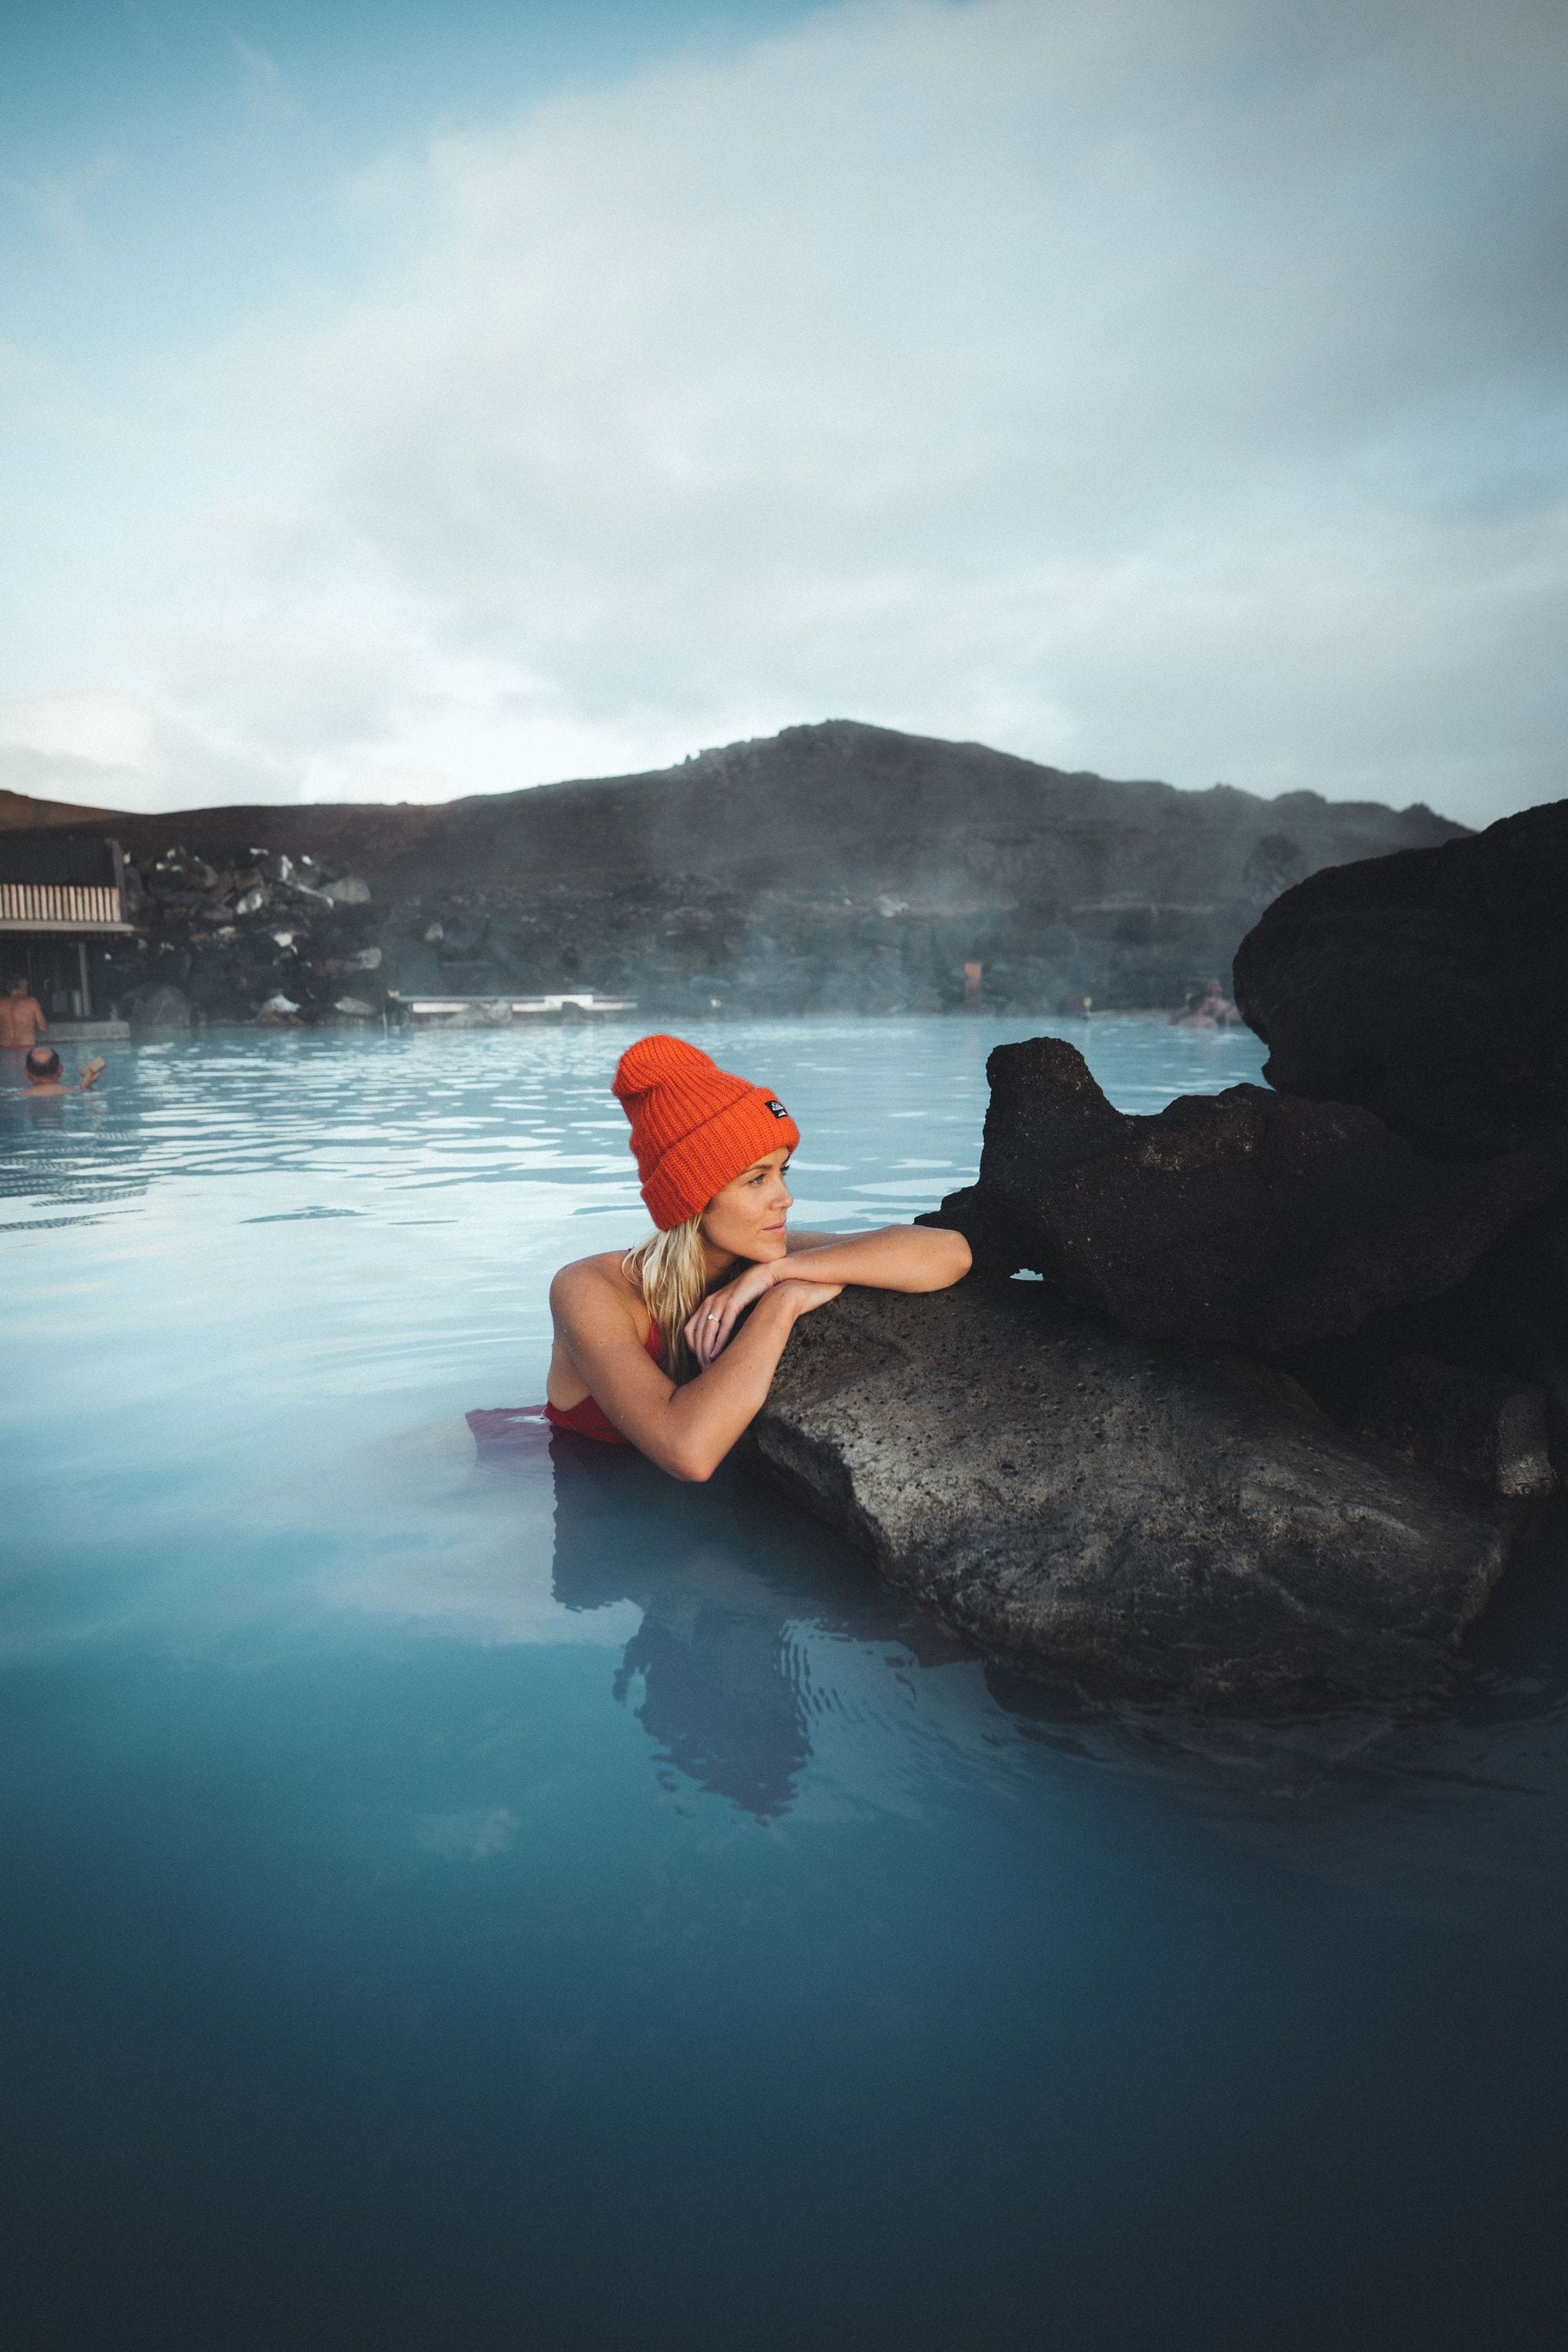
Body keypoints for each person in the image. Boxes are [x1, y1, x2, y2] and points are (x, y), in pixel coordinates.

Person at [545, 1033, 971, 1481]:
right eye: (756, 1179)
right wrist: (782, 1306)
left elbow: (949, 1252)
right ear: (691, 1199)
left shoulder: (766, 1256)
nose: (785, 1198)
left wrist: (779, 1278)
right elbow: (689, 1452)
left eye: (781, 1171)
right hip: (572, 1482)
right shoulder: (589, 1288)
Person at [18, 1046, 105, 1096]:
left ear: (26, 1072)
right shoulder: (76, 1092)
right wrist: (86, 1087)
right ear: (60, 1070)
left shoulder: (19, 1095)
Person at [0, 975, 47, 1051]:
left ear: (8, 989)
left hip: (4, 1048)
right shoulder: (31, 1002)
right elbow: (43, 1028)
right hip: (26, 1047)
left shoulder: (1, 1003)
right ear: (24, 987)